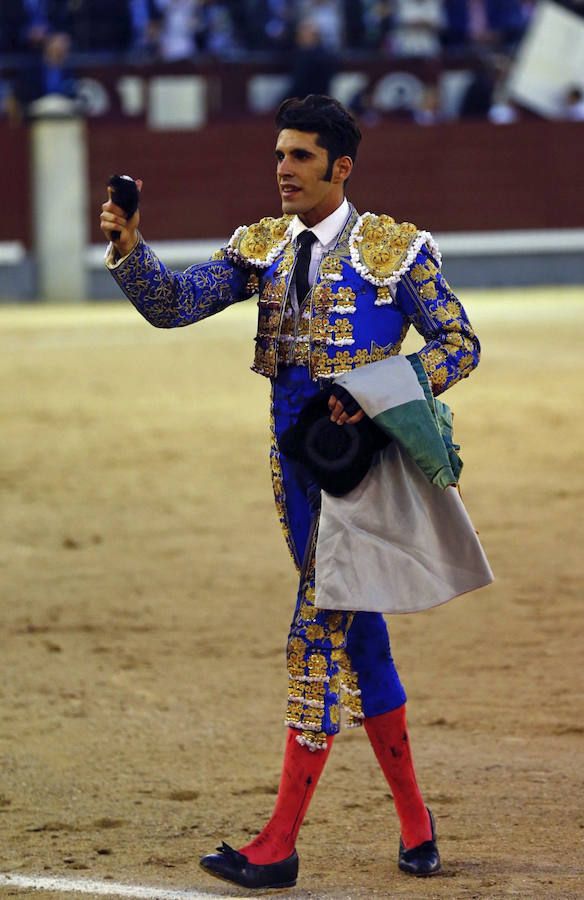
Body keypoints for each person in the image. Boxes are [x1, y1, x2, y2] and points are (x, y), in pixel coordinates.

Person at [100, 94, 484, 890]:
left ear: (340, 167)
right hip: (294, 473)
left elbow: (459, 343)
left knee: (316, 633)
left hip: (365, 475)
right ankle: (418, 827)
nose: (282, 169)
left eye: (300, 156)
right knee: (360, 637)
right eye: (278, 155)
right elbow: (175, 307)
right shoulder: (263, 247)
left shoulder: (394, 249)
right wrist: (133, 251)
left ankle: (279, 845)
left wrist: (381, 390)